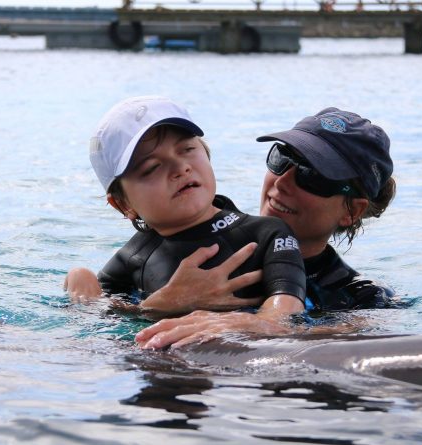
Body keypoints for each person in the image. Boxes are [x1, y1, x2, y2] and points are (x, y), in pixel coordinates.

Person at [134, 107, 397, 349]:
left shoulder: (362, 298)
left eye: (311, 175)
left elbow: (364, 334)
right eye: (282, 158)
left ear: (352, 211)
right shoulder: (197, 238)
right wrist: (159, 305)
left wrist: (266, 326)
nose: (282, 182)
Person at [65, 95, 309, 324]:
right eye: (152, 167)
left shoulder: (267, 234)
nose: (180, 168)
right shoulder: (134, 257)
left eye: (187, 150)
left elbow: (286, 308)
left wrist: (243, 327)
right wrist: (83, 282)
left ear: (207, 154)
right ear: (123, 204)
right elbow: (100, 321)